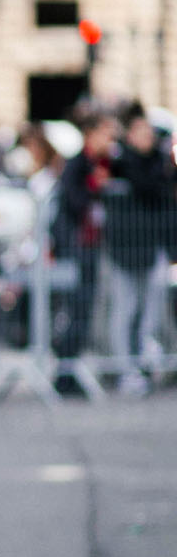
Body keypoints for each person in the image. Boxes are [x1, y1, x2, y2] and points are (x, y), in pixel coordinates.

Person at [103, 104, 176, 395]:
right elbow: (148, 186)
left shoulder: (159, 161)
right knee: (126, 308)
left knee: (153, 310)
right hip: (127, 248)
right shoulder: (123, 161)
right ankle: (125, 367)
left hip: (152, 246)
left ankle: (148, 361)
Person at [50, 110, 117, 395]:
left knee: (84, 310)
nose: (110, 139)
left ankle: (69, 368)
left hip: (90, 245)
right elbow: (74, 201)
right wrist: (94, 186)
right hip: (75, 246)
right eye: (105, 133)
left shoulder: (102, 163)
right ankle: (64, 372)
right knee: (76, 309)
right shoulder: (78, 165)